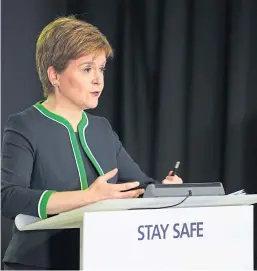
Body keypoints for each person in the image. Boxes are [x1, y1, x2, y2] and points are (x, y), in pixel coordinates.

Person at [1, 16, 183, 270]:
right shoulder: (25, 125)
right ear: (54, 75)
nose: (98, 79)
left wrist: (164, 190)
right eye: (87, 69)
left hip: (98, 258)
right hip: (37, 263)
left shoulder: (101, 129)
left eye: (101, 69)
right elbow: (9, 198)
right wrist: (87, 197)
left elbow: (139, 185)